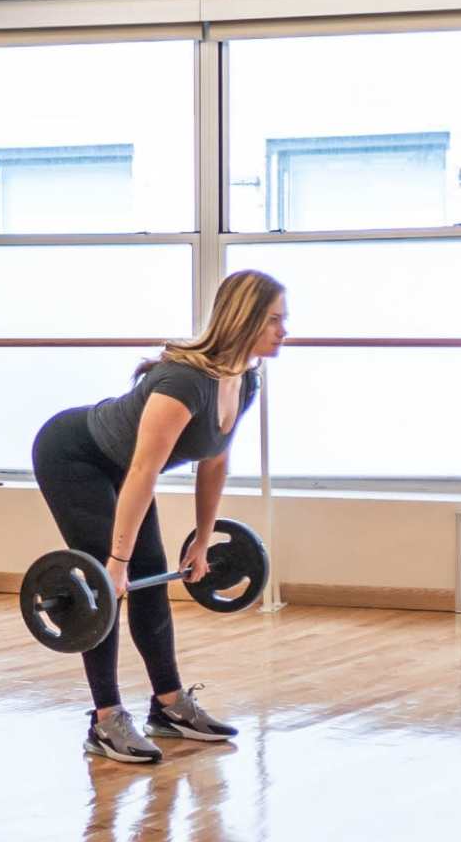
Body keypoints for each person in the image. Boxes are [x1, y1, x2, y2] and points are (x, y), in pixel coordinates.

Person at [28, 271, 279, 766]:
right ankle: (105, 720)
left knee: (151, 577)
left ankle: (168, 706)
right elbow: (144, 470)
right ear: (245, 319)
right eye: (274, 320)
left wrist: (204, 541)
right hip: (73, 455)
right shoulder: (184, 382)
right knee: (104, 591)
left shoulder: (243, 378)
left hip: (123, 466)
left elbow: (216, 462)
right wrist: (114, 562)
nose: (284, 331)